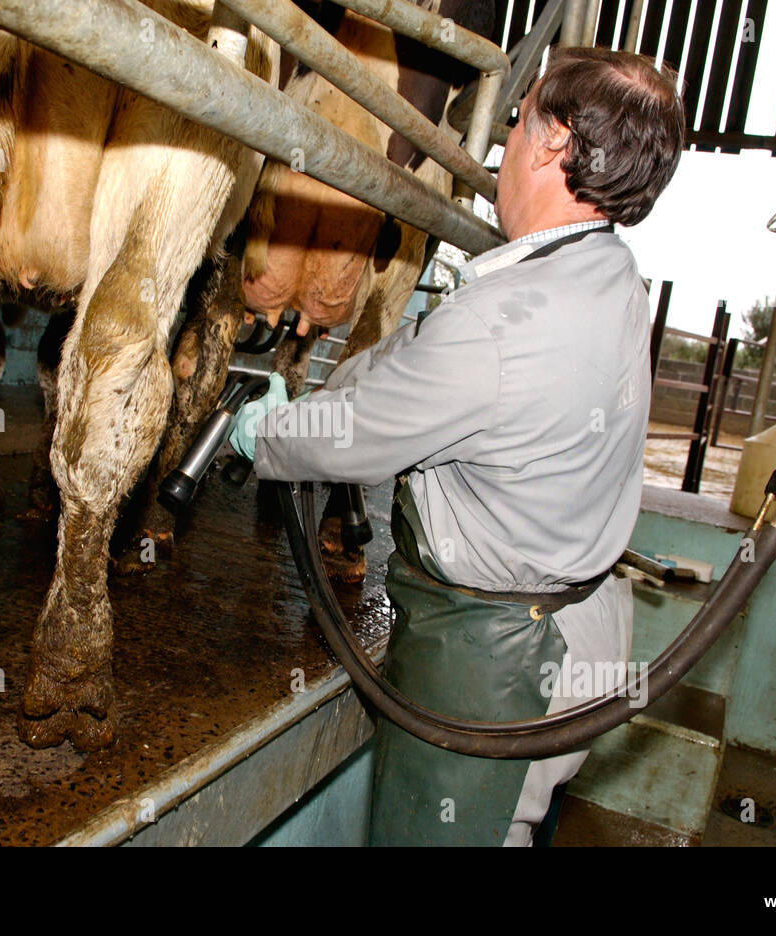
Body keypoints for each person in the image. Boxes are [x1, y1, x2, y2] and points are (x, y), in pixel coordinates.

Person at [228, 47, 685, 846]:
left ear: (553, 143)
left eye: (518, 118)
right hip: (578, 628)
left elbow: (360, 439)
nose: (504, 139)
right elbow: (432, 363)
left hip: (503, 662)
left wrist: (268, 430)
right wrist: (338, 386)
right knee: (515, 827)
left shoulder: (505, 324)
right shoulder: (608, 273)